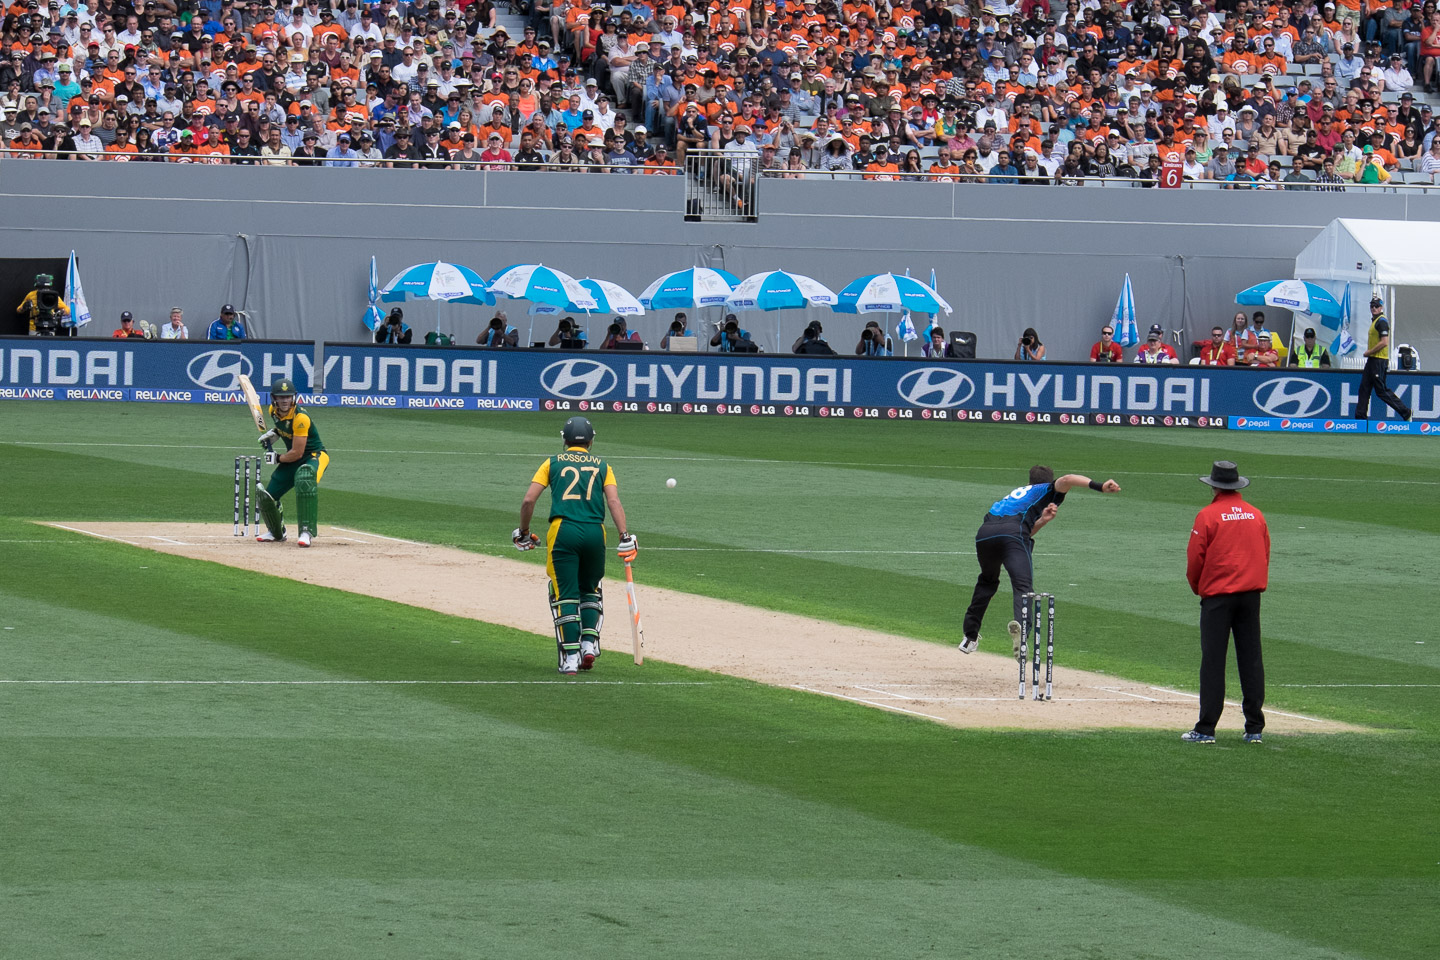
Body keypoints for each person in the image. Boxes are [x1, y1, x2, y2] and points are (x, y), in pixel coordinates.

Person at [513, 416, 636, 675]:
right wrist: (624, 535)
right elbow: (614, 502)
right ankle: (589, 644)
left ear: (564, 439)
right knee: (590, 589)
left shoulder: (552, 462)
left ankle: (570, 657)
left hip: (563, 531)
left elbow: (528, 501)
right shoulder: (603, 466)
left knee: (565, 594)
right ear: (591, 441)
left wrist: (524, 532)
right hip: (595, 532)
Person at [959, 466, 1122, 654]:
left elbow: (1023, 531)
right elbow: (1067, 478)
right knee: (1023, 587)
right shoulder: (1045, 489)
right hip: (1012, 534)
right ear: (1047, 482)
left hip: (984, 535)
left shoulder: (1015, 494)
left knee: (987, 582)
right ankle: (1022, 635)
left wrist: (1043, 521)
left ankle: (969, 637)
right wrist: (1099, 486)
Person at [1183, 461, 1269, 744]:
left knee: (1213, 662)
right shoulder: (1256, 515)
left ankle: (1206, 728)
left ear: (1214, 486)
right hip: (1250, 596)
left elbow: (1195, 559)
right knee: (1251, 659)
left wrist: (1200, 589)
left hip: (1218, 597)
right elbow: (1265, 552)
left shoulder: (1208, 515)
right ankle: (1254, 727)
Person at [254, 379, 328, 548]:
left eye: (288, 396)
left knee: (305, 479)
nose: (285, 400)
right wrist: (275, 434)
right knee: (268, 496)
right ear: (274, 398)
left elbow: (297, 452)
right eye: (281, 397)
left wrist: (277, 458)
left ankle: (306, 532)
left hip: (313, 456)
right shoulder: (273, 411)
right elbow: (284, 428)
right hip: (294, 457)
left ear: (293, 397)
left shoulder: (301, 418)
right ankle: (276, 532)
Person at [1357, 296, 1413, 420]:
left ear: (1381, 307)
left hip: (1379, 360)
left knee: (1381, 390)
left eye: (1376, 306)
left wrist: (1369, 352)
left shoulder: (1381, 321)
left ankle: (1406, 412)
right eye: (1371, 306)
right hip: (1372, 360)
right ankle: (1360, 418)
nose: (1373, 308)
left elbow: (1384, 342)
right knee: (1364, 388)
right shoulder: (1375, 321)